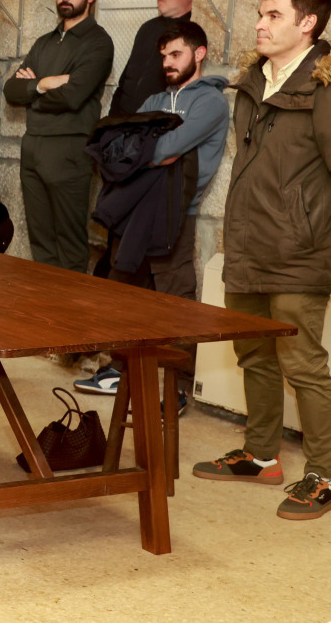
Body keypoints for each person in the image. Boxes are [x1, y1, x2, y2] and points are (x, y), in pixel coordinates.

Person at [192, 0, 331, 522]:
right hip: (248, 247)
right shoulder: (255, 80)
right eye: (260, 13)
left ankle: (322, 477)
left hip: (300, 254)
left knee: (304, 366)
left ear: (307, 24)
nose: (259, 23)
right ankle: (261, 454)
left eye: (273, 14)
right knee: (252, 352)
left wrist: (320, 230)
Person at [76, 21, 228, 402]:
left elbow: (161, 150)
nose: (167, 63)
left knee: (174, 298)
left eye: (175, 55)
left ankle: (174, 387)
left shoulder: (209, 101)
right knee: (125, 292)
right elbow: (118, 150)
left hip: (177, 212)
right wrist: (143, 149)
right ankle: (119, 369)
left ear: (199, 53)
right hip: (134, 210)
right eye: (164, 57)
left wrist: (144, 146)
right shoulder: (154, 101)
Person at [2, 0, 114, 273]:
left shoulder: (98, 42)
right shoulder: (44, 42)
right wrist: (43, 83)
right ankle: (46, 315)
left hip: (68, 149)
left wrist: (32, 91)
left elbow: (73, 96)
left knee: (69, 240)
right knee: (41, 240)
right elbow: (11, 91)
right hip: (33, 147)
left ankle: (70, 317)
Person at [109, 0, 198, 118]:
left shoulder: (192, 33)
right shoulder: (147, 28)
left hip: (154, 128)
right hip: (123, 124)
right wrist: (111, 123)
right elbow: (125, 81)